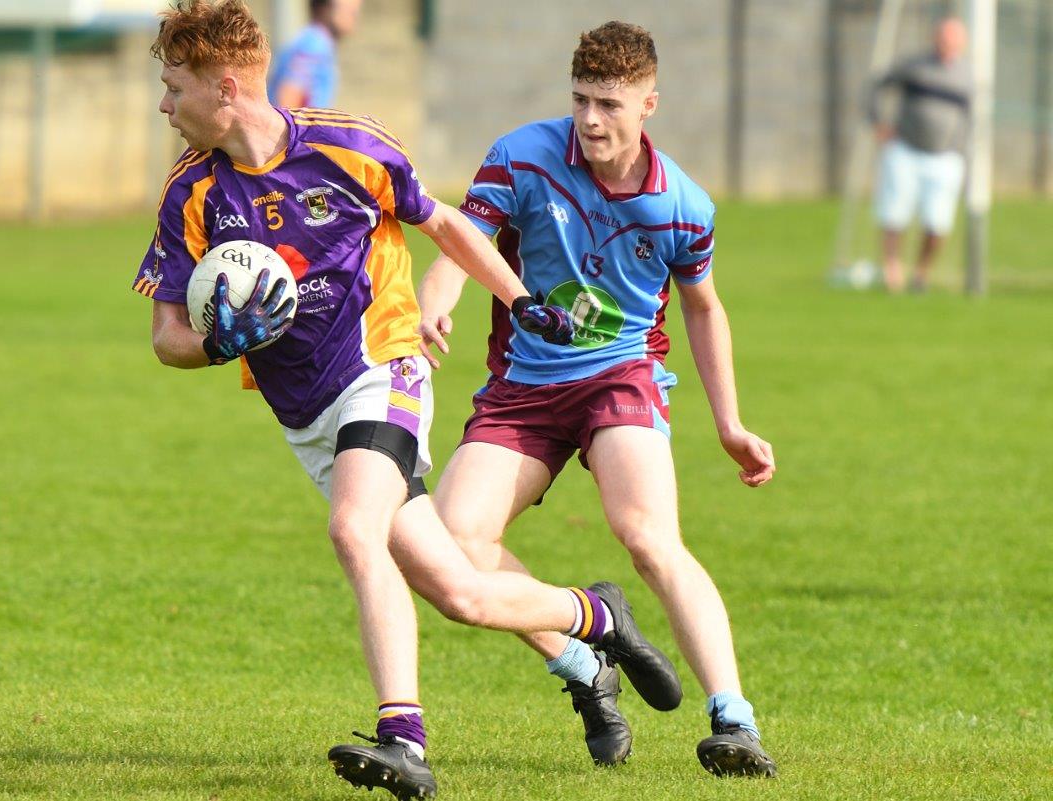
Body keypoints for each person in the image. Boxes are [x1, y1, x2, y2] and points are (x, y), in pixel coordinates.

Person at [132, 3, 680, 798]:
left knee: (355, 529)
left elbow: (445, 223)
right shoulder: (191, 192)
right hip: (307, 417)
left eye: (171, 86)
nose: (162, 104)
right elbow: (165, 335)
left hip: (383, 369)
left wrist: (519, 298)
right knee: (457, 589)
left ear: (224, 89)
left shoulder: (347, 145)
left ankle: (404, 737)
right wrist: (224, 339)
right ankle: (591, 626)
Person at [417, 21, 779, 778]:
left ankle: (735, 719)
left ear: (649, 103)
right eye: (580, 99)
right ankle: (583, 663)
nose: (590, 120)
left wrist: (730, 423)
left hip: (621, 376)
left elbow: (704, 308)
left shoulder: (681, 204)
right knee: (453, 543)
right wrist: (435, 301)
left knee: (647, 534)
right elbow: (461, 238)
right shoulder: (521, 155)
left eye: (609, 104)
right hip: (523, 385)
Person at [868, 17, 972, 293]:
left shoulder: (967, 76)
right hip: (906, 150)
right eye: (943, 38)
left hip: (944, 157)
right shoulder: (915, 67)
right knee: (894, 214)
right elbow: (877, 86)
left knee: (937, 223)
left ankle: (921, 273)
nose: (947, 44)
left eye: (953, 39)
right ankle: (892, 269)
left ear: (963, 43)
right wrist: (879, 123)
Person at [267, 0, 362, 108]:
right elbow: (288, 96)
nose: (355, 12)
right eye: (349, 9)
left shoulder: (315, 40)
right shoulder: (315, 43)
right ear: (324, 8)